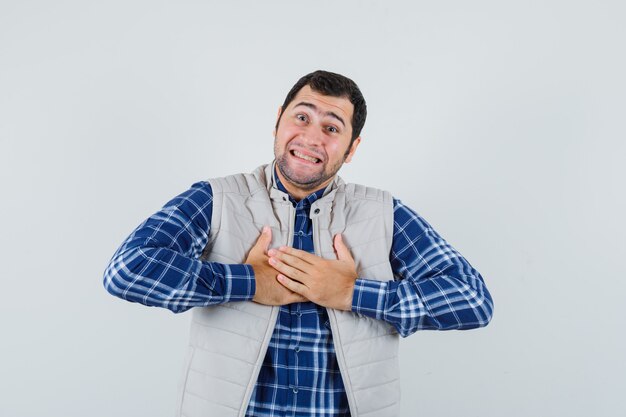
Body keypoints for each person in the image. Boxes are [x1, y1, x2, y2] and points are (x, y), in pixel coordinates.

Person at [103, 70, 494, 417]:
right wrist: (250, 282)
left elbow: (472, 299)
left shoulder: (384, 213)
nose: (311, 136)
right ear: (278, 122)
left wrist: (351, 293)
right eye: (302, 117)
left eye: (332, 127)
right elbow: (128, 269)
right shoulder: (216, 199)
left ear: (352, 148)